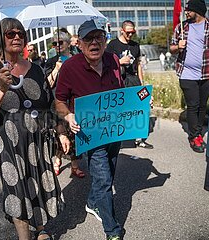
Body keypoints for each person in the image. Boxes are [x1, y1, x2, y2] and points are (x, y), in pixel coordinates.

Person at [0, 18, 68, 240]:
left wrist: (62, 132)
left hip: (38, 139)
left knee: (40, 183)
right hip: (9, 143)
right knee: (17, 189)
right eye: (10, 34)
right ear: (0, 38)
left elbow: (49, 103)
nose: (17, 37)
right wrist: (1, 88)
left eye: (20, 33)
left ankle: (42, 228)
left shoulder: (36, 69)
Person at [55, 19, 125, 240]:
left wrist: (139, 103)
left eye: (98, 37)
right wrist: (68, 115)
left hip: (115, 130)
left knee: (110, 172)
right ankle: (112, 230)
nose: (94, 42)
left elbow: (121, 92)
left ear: (105, 40)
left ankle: (93, 202)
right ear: (80, 44)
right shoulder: (69, 67)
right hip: (90, 133)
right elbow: (59, 100)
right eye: (88, 39)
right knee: (103, 178)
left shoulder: (113, 59)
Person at [170, 0, 209, 153]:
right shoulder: (182, 27)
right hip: (186, 74)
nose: (186, 12)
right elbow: (171, 48)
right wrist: (178, 47)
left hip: (206, 73)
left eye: (189, 10)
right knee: (193, 105)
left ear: (198, 10)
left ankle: (198, 132)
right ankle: (194, 136)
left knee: (203, 106)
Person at [106, 20, 153, 149]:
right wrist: (120, 61)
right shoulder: (112, 45)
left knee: (141, 107)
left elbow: (138, 65)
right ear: (122, 30)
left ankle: (139, 139)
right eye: (128, 32)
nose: (130, 35)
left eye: (133, 32)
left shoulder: (135, 45)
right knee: (120, 111)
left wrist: (142, 83)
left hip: (134, 80)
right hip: (119, 80)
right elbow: (107, 66)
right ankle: (116, 139)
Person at [44, 29, 86, 178]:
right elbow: (47, 85)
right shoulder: (50, 61)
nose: (57, 45)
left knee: (74, 134)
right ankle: (58, 160)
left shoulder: (78, 58)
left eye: (60, 42)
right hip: (58, 103)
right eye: (54, 43)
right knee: (59, 134)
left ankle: (74, 166)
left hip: (74, 102)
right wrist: (56, 69)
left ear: (68, 43)